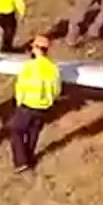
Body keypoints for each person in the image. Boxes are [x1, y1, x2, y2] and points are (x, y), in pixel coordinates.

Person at [9, 35, 63, 173]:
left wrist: (19, 102)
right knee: (33, 133)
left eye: (33, 47)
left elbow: (21, 86)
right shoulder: (53, 68)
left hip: (28, 105)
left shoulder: (29, 66)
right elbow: (57, 89)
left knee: (16, 131)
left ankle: (21, 162)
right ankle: (29, 159)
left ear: (37, 49)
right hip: (44, 107)